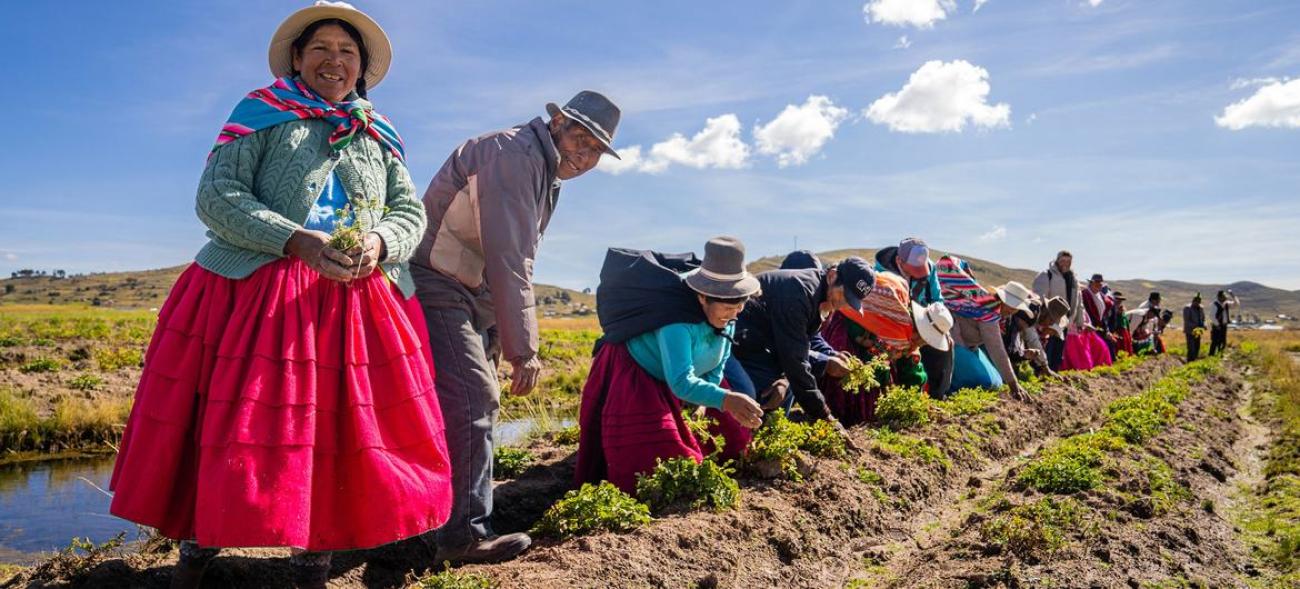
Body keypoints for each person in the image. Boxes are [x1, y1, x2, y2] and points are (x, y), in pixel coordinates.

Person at [107, 5, 453, 587]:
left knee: (334, 435)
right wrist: (294, 239)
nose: (334, 61)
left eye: (347, 52)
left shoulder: (378, 133)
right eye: (321, 48)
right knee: (237, 426)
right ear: (297, 58)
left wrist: (378, 242)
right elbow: (217, 195)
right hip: (255, 295)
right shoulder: (261, 113)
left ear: (361, 67)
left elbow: (408, 211)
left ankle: (312, 565)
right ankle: (196, 557)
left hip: (352, 301)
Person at [411, 89, 622, 563]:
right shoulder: (513, 155)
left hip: (470, 293)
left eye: (595, 150)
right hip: (437, 282)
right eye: (580, 139)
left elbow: (504, 257)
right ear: (557, 124)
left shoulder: (544, 169)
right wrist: (523, 349)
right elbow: (511, 256)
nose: (585, 155)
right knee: (474, 399)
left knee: (467, 405)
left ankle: (434, 520)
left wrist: (496, 328)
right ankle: (462, 536)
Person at [576, 237, 764, 493]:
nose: (735, 313)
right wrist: (725, 399)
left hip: (676, 374)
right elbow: (681, 381)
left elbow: (716, 365)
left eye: (740, 304)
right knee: (655, 453)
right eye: (728, 307)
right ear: (702, 298)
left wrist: (704, 401)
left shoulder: (728, 318)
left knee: (733, 438)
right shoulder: (676, 321)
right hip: (639, 370)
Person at [731, 258, 877, 423]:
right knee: (763, 392)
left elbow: (808, 336)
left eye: (850, 301)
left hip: (765, 343)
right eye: (844, 295)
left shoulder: (824, 294)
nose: (842, 304)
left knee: (787, 385)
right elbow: (794, 359)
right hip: (742, 341)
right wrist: (824, 415)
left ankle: (766, 429)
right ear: (832, 276)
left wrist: (830, 354)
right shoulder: (800, 293)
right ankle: (749, 432)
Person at [819, 269, 953, 425]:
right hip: (844, 332)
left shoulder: (904, 326)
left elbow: (910, 368)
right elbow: (878, 360)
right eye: (924, 341)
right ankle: (836, 418)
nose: (920, 345)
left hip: (848, 326)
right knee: (858, 387)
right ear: (920, 334)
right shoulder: (898, 330)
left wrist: (917, 399)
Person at [936, 258, 1030, 399]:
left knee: (996, 381)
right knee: (982, 381)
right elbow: (996, 348)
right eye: (1011, 306)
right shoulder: (989, 309)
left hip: (967, 346)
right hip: (955, 343)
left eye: (1016, 308)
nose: (1012, 311)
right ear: (1002, 299)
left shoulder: (992, 308)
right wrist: (1013, 384)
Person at [874, 238, 954, 397]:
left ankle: (938, 394)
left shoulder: (929, 268)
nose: (918, 274)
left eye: (921, 269)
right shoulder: (882, 275)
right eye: (913, 269)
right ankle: (902, 395)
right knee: (904, 356)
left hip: (924, 318)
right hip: (894, 324)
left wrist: (935, 322)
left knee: (946, 344)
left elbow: (936, 299)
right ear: (899, 260)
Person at [1031, 251, 1084, 371]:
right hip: (1049, 319)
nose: (1065, 263)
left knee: (1058, 351)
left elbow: (1079, 302)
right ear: (1057, 260)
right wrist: (1039, 317)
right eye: (1062, 260)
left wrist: (1079, 321)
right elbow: (1038, 297)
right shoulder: (1046, 275)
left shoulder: (1073, 279)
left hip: (1065, 320)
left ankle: (1053, 373)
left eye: (1068, 261)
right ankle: (1039, 373)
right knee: (1046, 348)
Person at [1081, 273, 1117, 360]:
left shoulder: (1101, 297)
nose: (1099, 285)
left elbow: (1103, 316)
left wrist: (1107, 330)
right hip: (1087, 326)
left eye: (1100, 283)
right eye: (1096, 282)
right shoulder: (1084, 295)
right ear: (1091, 283)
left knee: (1107, 347)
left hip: (1100, 328)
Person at [1209, 290, 1239, 356]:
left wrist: (1233, 295)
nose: (1225, 298)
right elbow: (1212, 316)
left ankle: (1220, 355)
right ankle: (1211, 355)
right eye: (1223, 296)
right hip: (1217, 326)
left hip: (1224, 326)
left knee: (1223, 342)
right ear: (1219, 297)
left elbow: (1236, 304)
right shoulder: (1215, 304)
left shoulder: (1226, 303)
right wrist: (1217, 325)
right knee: (1215, 341)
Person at [1184, 293, 1207, 362]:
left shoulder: (1201, 308)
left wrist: (1204, 325)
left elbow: (1203, 318)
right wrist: (1196, 326)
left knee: (1197, 346)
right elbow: (1187, 321)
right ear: (1193, 301)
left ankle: (1194, 361)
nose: (1197, 303)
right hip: (1190, 331)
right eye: (1196, 301)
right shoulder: (1187, 308)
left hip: (1198, 331)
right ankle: (1189, 361)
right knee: (1191, 348)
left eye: (1199, 301)